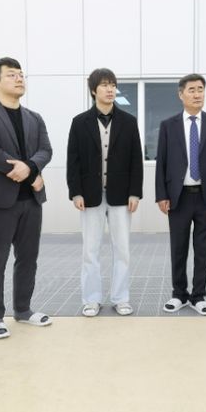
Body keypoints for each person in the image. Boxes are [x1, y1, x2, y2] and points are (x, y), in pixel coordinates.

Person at [0, 57, 53, 339]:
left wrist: (30, 168)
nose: (19, 79)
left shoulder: (34, 118)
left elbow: (45, 150)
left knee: (28, 258)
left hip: (31, 199)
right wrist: (30, 173)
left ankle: (23, 310)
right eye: (11, 75)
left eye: (21, 74)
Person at [66, 68, 143, 317]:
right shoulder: (80, 122)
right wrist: (76, 192)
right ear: (93, 90)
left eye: (113, 85)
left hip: (122, 196)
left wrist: (135, 192)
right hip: (90, 195)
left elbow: (136, 160)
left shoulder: (129, 121)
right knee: (90, 250)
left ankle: (121, 298)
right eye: (104, 85)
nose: (110, 89)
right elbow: (73, 160)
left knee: (122, 250)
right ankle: (91, 299)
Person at [155, 74, 206, 315]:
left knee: (204, 248)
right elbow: (161, 162)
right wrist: (161, 195)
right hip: (178, 197)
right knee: (178, 247)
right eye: (192, 90)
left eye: (200, 89)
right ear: (181, 94)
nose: (197, 94)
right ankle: (179, 294)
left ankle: (198, 295)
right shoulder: (168, 125)